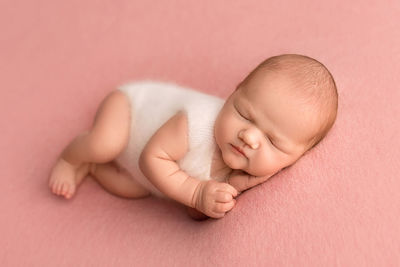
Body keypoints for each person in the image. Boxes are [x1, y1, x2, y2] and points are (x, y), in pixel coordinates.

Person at [48, 54, 338, 220]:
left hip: (142, 174)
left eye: (273, 142)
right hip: (129, 108)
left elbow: (194, 213)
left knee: (133, 189)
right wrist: (197, 193)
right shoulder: (198, 120)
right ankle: (70, 158)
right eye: (244, 114)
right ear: (233, 93)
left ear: (293, 159)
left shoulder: (237, 167)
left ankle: (92, 168)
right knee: (104, 144)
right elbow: (151, 158)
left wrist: (231, 190)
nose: (249, 136)